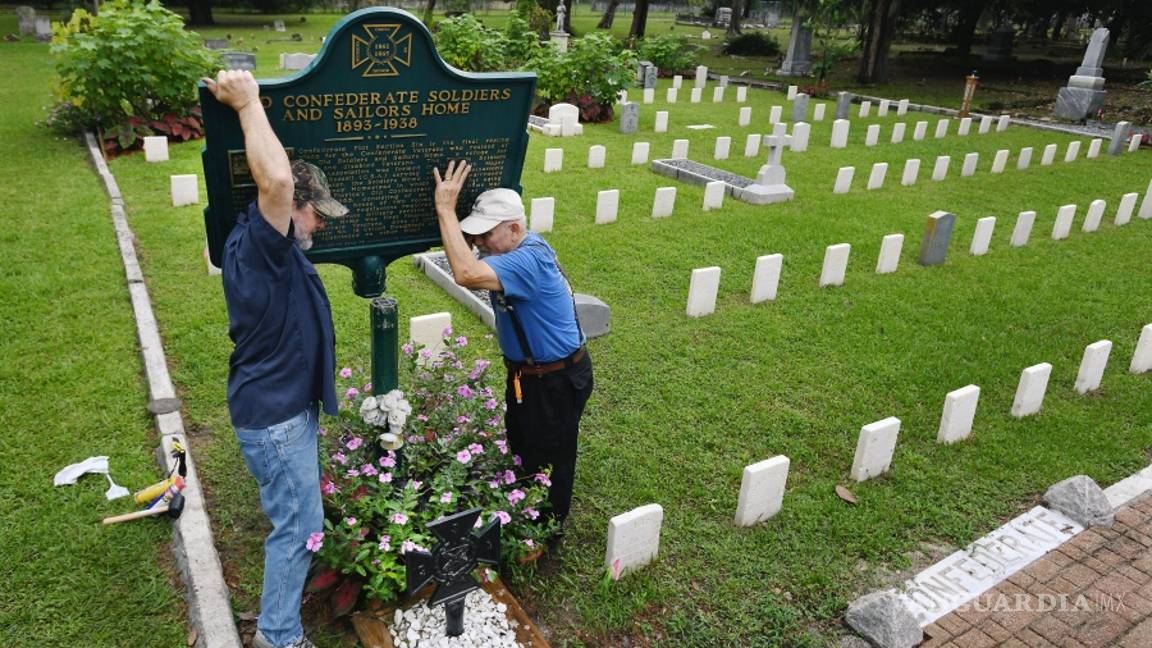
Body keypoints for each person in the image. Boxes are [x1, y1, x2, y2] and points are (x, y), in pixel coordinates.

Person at [204, 69, 347, 648]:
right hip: (276, 418)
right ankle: (278, 636)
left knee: (297, 520)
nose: (318, 225)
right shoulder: (265, 245)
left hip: (281, 409)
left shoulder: (265, 245)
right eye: (316, 213)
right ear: (293, 207)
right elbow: (279, 182)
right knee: (298, 528)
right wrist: (245, 103)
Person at [432, 160, 593, 524]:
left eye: (486, 235)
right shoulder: (509, 252)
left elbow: (465, 272)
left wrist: (444, 208)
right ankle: (522, 510)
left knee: (551, 459)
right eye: (475, 235)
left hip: (554, 380)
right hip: (530, 376)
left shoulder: (527, 261)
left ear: (515, 229)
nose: (478, 242)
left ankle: (544, 529)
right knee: (524, 447)